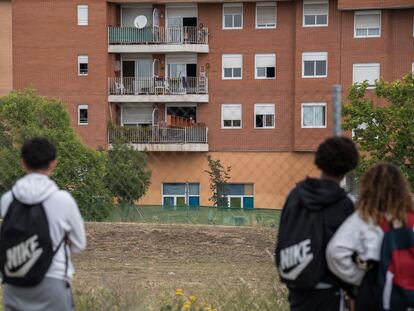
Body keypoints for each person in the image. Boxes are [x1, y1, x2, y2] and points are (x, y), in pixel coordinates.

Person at [0, 137, 86, 311]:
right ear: (53, 164)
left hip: (15, 283)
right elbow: (79, 244)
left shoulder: (7, 200)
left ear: (23, 163)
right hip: (53, 283)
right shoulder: (63, 200)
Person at [275, 136, 359, 311]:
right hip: (329, 290)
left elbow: (283, 235)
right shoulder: (345, 204)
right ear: (349, 166)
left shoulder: (296, 194)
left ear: (319, 161)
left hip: (298, 284)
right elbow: (349, 250)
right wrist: (353, 291)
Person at [326, 163, 414, 310]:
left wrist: (358, 279)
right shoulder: (411, 218)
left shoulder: (364, 218)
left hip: (373, 292)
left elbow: (335, 252)